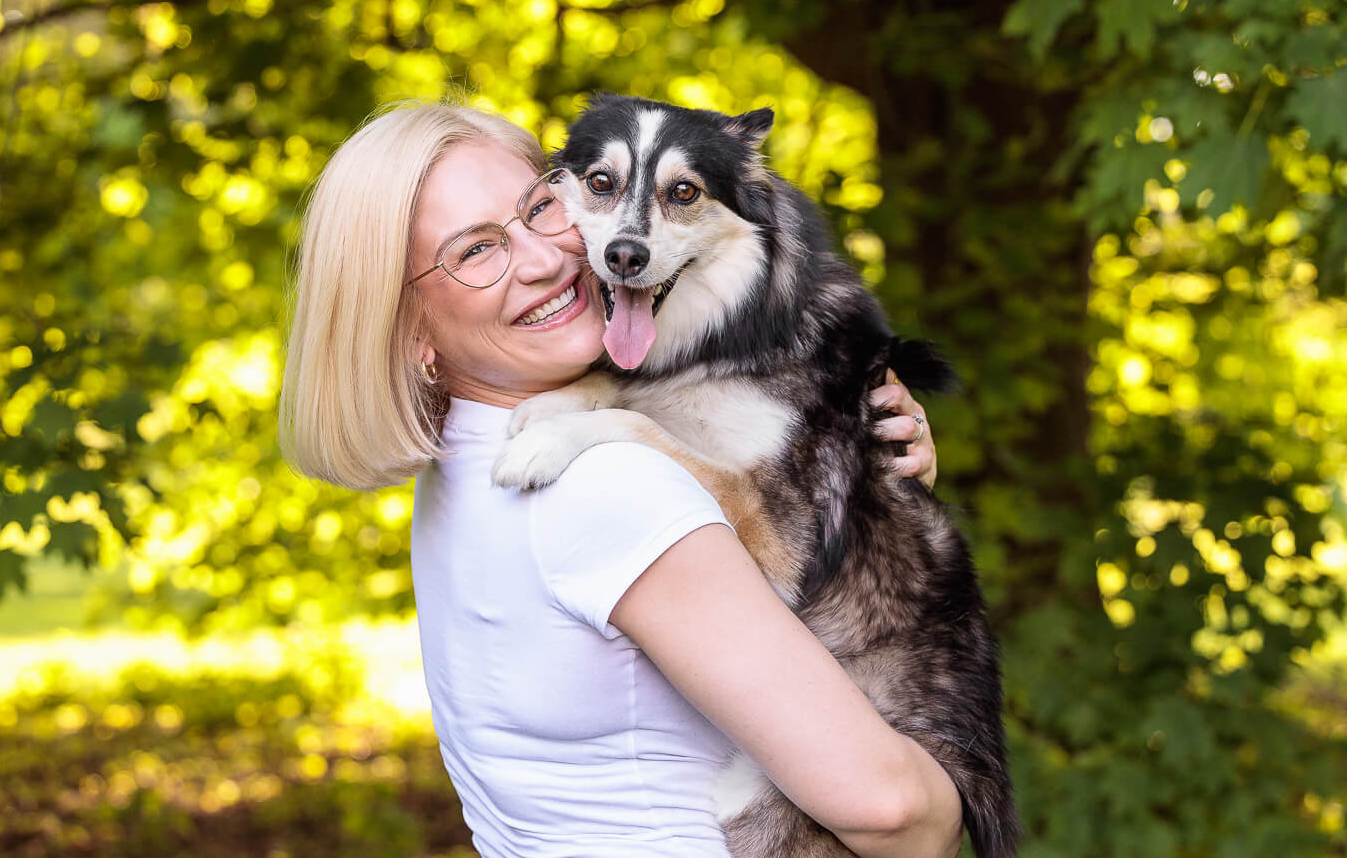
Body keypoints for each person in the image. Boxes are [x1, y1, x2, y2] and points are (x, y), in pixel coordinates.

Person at [278, 100, 961, 858]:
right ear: (410, 331)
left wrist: (865, 487)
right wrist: (945, 799)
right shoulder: (606, 483)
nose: (544, 258)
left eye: (540, 206)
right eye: (475, 252)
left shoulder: (475, 465)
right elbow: (894, 811)